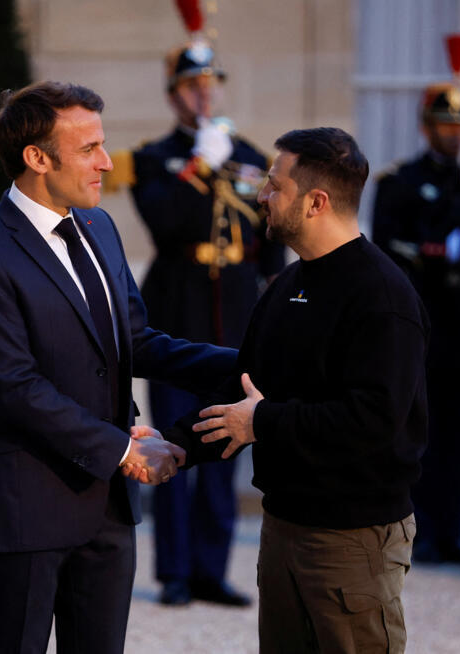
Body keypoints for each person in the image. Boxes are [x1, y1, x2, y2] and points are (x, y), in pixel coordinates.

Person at [0, 80, 237, 654]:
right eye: (88, 149)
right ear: (37, 158)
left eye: (103, 144)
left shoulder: (99, 227)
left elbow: (136, 342)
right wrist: (126, 452)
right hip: (25, 508)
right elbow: (15, 388)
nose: (106, 162)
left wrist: (248, 363)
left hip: (106, 509)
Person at [141, 127, 427, 654]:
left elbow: (373, 418)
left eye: (275, 185)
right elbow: (247, 387)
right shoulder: (290, 284)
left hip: (351, 538)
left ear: (316, 202)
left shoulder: (382, 294)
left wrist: (263, 422)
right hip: (284, 528)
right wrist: (176, 447)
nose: (261, 196)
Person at [127, 30, 284, 606]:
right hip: (178, 316)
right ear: (173, 95)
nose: (203, 96)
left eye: (209, 83)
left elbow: (271, 241)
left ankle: (212, 568)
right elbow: (166, 225)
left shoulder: (248, 155)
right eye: (191, 86)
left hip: (237, 316)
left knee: (225, 443)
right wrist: (197, 167)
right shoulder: (155, 158)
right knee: (172, 441)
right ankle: (174, 572)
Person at [371, 33, 460, 566]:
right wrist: (442, 247)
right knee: (417, 434)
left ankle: (453, 533)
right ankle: (419, 530)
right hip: (419, 324)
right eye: (445, 125)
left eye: (459, 126)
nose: (453, 135)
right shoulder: (402, 182)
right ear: (426, 126)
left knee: (458, 433)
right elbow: (392, 244)